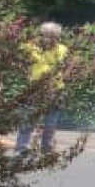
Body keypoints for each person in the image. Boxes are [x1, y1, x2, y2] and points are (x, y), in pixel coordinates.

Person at [15, 22, 69, 154]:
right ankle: (21, 148)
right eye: (46, 35)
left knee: (51, 122)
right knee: (28, 119)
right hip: (35, 88)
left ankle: (46, 148)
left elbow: (67, 66)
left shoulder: (62, 49)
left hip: (55, 89)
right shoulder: (31, 47)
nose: (49, 38)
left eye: (53, 36)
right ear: (41, 35)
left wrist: (62, 78)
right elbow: (18, 57)